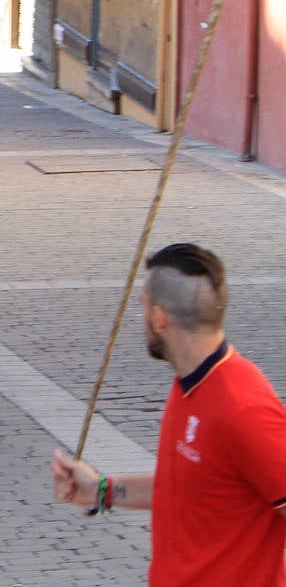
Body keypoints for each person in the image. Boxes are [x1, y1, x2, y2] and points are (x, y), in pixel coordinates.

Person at [51, 243, 286, 586]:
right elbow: (190, 491)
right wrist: (101, 490)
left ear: (159, 318)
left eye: (143, 307)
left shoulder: (244, 408)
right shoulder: (190, 382)